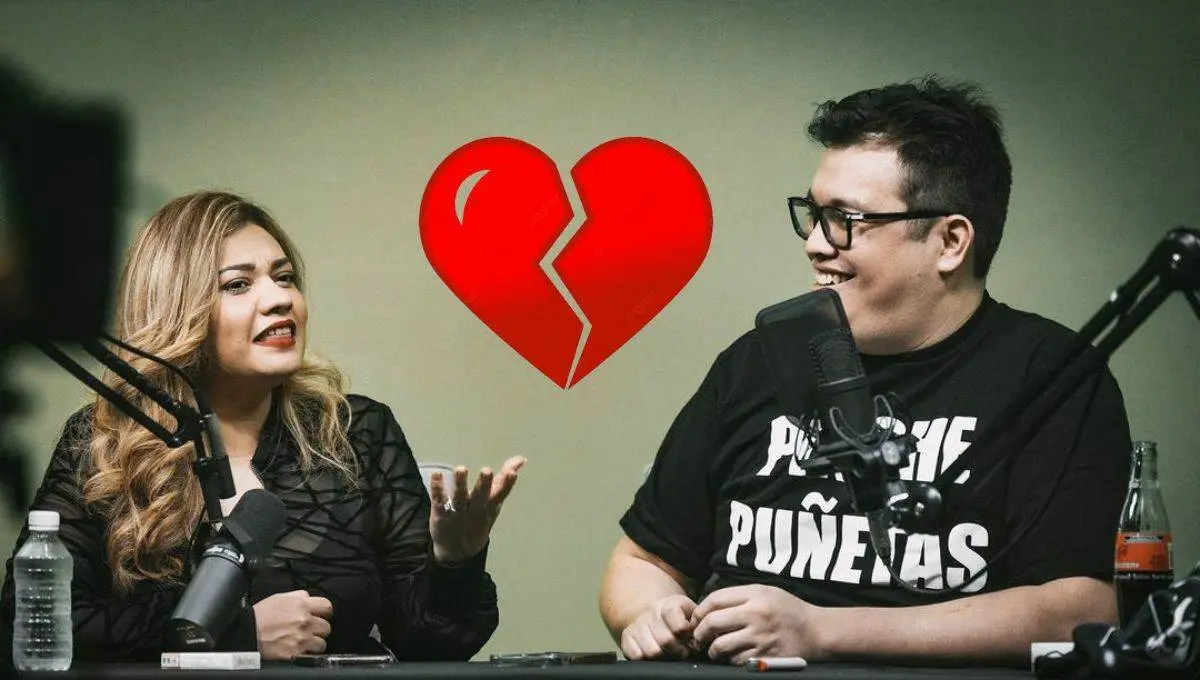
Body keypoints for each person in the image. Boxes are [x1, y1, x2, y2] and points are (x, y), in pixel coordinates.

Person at [599, 77, 1132, 667]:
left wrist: (820, 631)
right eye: (814, 215)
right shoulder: (755, 362)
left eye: (844, 219)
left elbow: (1079, 610)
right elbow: (641, 561)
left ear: (950, 242)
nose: (815, 244)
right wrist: (653, 612)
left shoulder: (1050, 376)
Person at [1, 191, 525, 664]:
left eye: (285, 277)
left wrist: (453, 563)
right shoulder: (105, 441)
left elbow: (430, 644)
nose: (279, 298)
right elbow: (30, 625)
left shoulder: (357, 432)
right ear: (178, 310)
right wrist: (233, 633)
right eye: (238, 284)